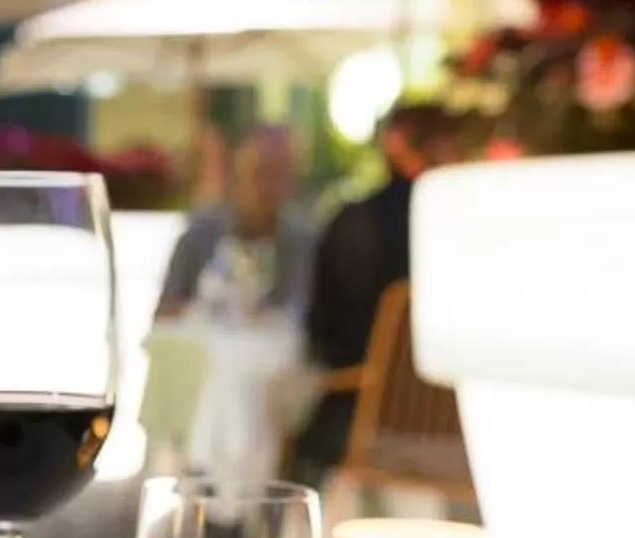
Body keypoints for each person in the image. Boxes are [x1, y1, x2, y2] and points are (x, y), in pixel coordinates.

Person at [288, 103, 459, 482]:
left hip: (361, 422)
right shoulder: (470, 230)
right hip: (460, 433)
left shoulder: (353, 222)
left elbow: (319, 335)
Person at [154, 124, 312, 321]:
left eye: (282, 175)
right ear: (237, 174)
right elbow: (163, 319)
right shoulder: (198, 237)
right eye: (261, 173)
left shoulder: (307, 245)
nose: (270, 188)